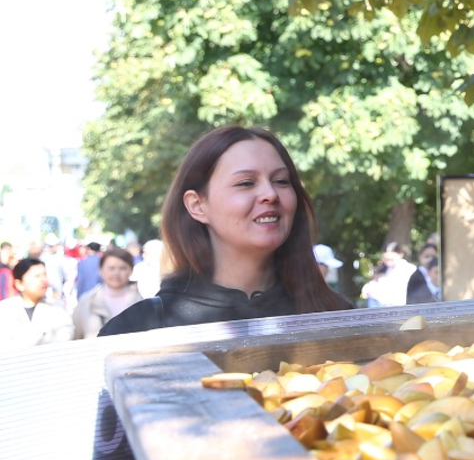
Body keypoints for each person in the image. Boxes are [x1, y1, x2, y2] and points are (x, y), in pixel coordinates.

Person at [100, 126, 350, 335]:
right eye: (245, 183)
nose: (270, 194)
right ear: (197, 206)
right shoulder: (139, 330)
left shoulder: (341, 318)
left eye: (281, 181)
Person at [0, 257, 76, 350]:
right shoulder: (5, 310)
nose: (43, 280)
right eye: (36, 276)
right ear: (19, 284)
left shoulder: (57, 311)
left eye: (44, 275)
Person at [73, 247, 141, 338]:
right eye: (111, 268)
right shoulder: (86, 302)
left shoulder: (141, 302)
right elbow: (76, 337)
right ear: (101, 270)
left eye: (123, 268)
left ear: (131, 271)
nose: (116, 273)